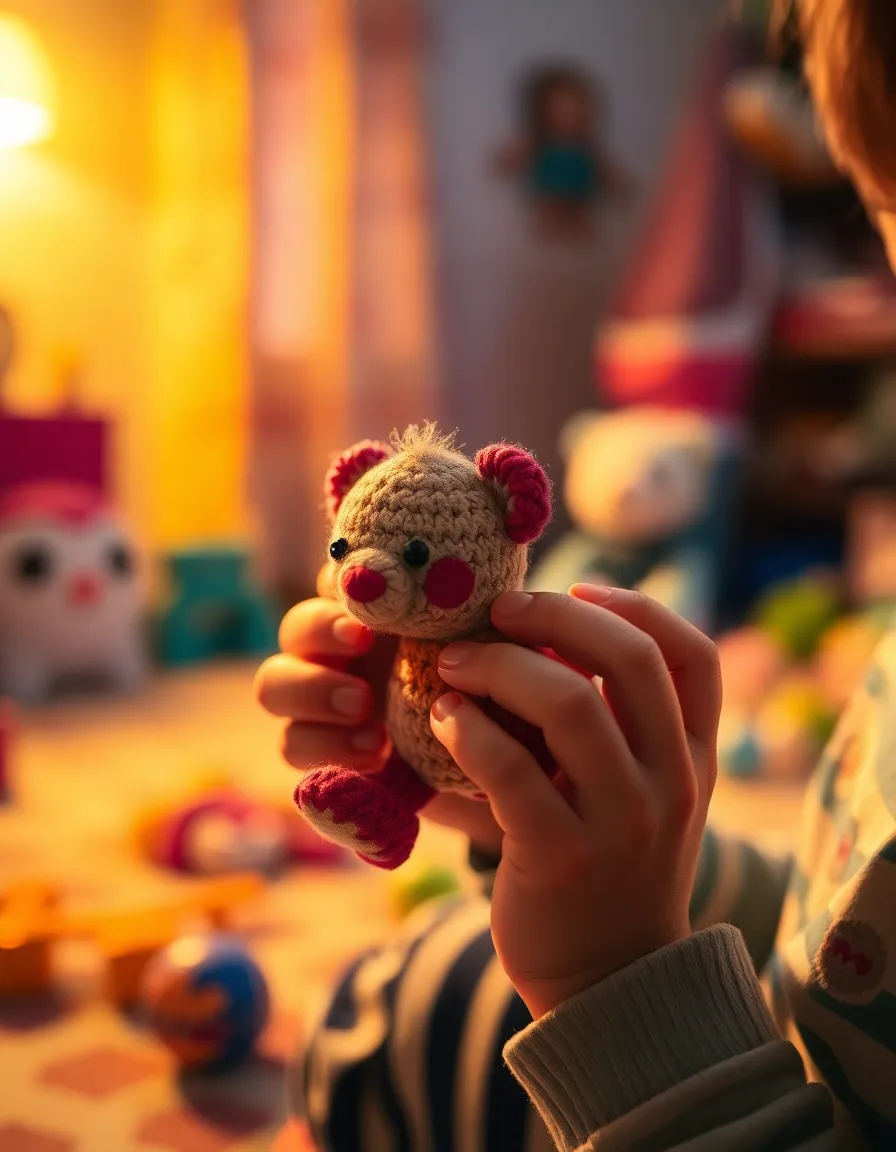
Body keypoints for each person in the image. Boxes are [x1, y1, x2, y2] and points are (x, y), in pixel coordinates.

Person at [257, 2, 896, 1146]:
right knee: (409, 984)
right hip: (744, 1029)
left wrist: (609, 971)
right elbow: (842, 942)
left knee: (401, 1021)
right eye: (885, 216)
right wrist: (564, 826)